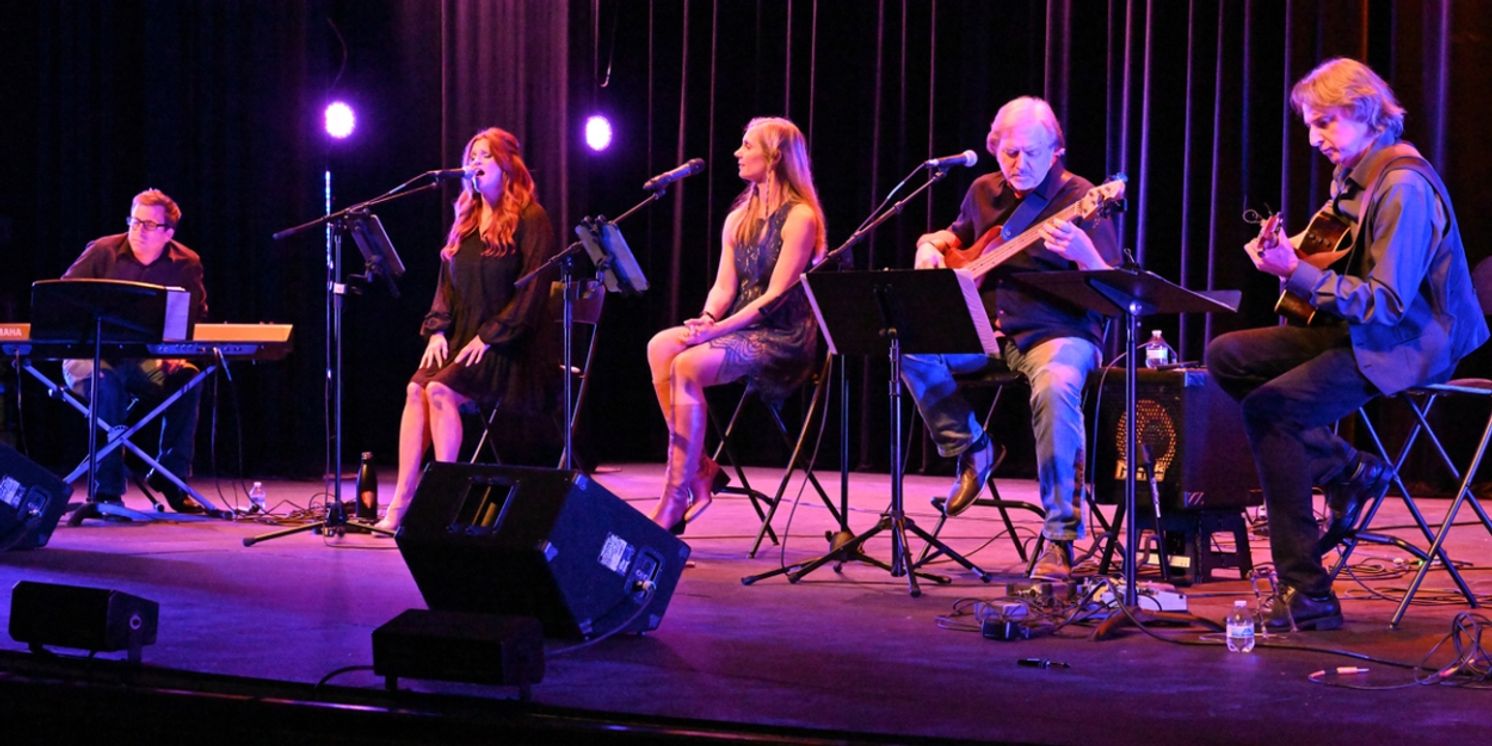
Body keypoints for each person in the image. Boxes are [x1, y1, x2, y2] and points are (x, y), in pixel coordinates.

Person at [1206, 58, 1487, 630]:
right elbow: (1336, 256)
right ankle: (1348, 468)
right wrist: (1286, 257)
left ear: (1365, 113)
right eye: (1311, 124)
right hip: (1364, 330)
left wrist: (1297, 274)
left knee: (1271, 411)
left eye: (1326, 123)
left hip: (1410, 341)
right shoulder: (1357, 179)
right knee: (1226, 355)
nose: (1314, 138)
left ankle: (1306, 593)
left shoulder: (1403, 186)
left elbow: (1386, 302)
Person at [906, 96, 1120, 578]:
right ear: (993, 149)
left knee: (1056, 386)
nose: (1019, 164)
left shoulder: (1083, 196)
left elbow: (1114, 288)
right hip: (989, 328)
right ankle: (972, 447)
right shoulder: (983, 191)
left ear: (1056, 150)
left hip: (1057, 330)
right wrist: (929, 244)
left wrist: (1086, 254)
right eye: (1009, 154)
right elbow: (957, 236)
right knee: (911, 344)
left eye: (1031, 153)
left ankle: (1060, 536)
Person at [645, 116, 828, 530]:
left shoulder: (800, 217)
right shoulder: (738, 218)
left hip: (783, 335)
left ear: (776, 157)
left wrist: (718, 331)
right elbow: (724, 286)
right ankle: (701, 470)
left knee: (687, 365)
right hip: (740, 326)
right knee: (661, 346)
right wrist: (708, 319)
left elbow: (774, 298)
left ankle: (676, 496)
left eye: (748, 146)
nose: (738, 153)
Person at [374, 127, 559, 532]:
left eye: (485, 156)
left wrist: (491, 335)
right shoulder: (468, 216)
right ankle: (401, 503)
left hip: (510, 346)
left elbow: (532, 292)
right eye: (471, 156)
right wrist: (438, 330)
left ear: (507, 165)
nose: (474, 163)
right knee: (415, 389)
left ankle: (443, 503)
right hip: (463, 340)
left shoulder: (531, 218)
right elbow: (447, 284)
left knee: (440, 390)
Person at [61, 188, 208, 514]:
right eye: (135, 221)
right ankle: (107, 490)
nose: (138, 230)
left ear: (168, 233)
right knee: (106, 382)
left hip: (144, 360)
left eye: (148, 225)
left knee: (189, 378)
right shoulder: (103, 251)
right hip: (90, 355)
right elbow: (63, 300)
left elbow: (193, 316)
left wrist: (176, 351)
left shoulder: (186, 263)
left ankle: (171, 477)